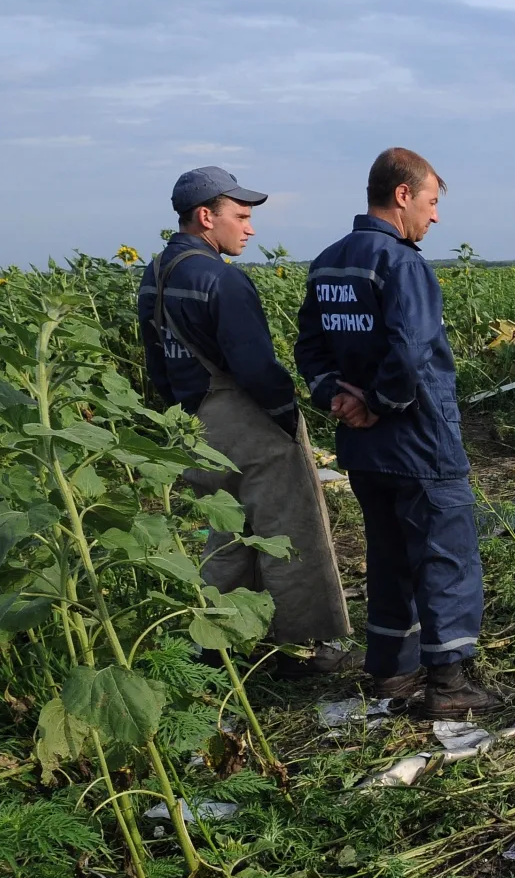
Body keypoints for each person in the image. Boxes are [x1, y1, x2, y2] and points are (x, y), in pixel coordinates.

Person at [293, 148, 500, 716]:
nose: (435, 216)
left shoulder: (329, 264)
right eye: (430, 202)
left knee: (388, 556)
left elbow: (309, 347)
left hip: (365, 451)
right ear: (402, 195)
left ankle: (392, 671)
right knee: (446, 556)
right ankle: (449, 684)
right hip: (420, 441)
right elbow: (410, 351)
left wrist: (335, 397)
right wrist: (379, 404)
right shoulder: (402, 264)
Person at [138, 167, 355, 676]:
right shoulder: (221, 279)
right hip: (247, 421)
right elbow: (256, 368)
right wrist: (285, 419)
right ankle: (303, 649)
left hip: (196, 423)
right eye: (240, 216)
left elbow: (156, 362)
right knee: (290, 533)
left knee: (229, 533)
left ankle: (220, 645)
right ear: (205, 216)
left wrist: (185, 413)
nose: (250, 228)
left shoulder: (156, 275)